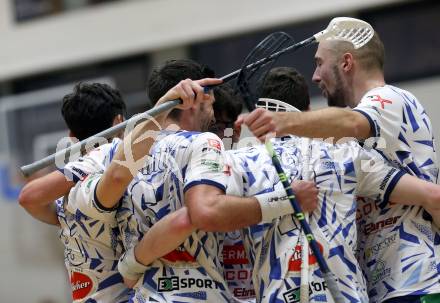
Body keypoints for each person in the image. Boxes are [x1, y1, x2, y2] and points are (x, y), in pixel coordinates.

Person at [237, 31, 440, 302]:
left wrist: (282, 121)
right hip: (384, 290)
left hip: (418, 284)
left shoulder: (388, 98)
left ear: (346, 63)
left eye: (319, 63)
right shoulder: (343, 151)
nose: (315, 76)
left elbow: (352, 123)